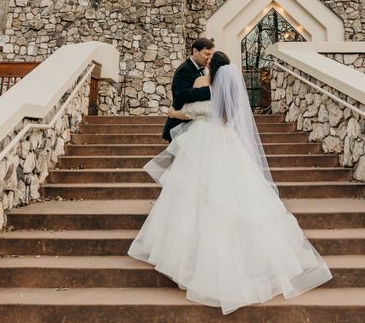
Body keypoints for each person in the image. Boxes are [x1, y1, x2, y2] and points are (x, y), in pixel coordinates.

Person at [128, 51, 332, 315]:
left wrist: (173, 113)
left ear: (213, 70)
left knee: (195, 196)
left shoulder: (207, 90)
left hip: (204, 142)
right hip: (226, 142)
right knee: (232, 197)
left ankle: (194, 264)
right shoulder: (231, 96)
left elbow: (188, 112)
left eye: (209, 65)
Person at [161, 37, 214, 143]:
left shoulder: (201, 70)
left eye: (211, 55)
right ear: (195, 51)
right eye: (206, 54)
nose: (209, 58)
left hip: (193, 126)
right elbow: (182, 95)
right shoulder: (184, 70)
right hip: (179, 127)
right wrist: (211, 91)